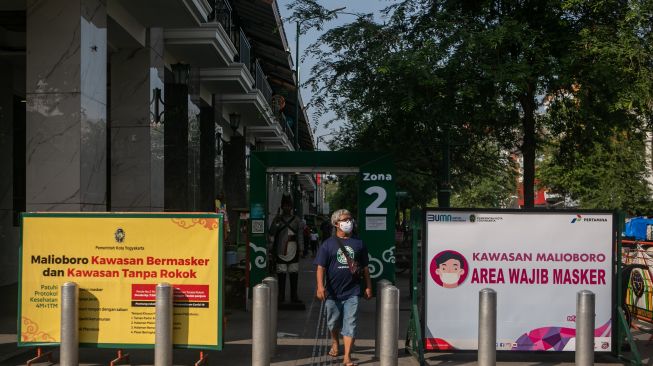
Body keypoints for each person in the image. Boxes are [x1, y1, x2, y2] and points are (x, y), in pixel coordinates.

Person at [315, 209, 372, 366]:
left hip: (352, 291)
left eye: (350, 219)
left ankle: (347, 356)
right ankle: (335, 341)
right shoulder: (328, 244)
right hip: (332, 292)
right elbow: (320, 267)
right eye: (345, 220)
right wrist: (320, 287)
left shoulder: (359, 243)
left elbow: (365, 267)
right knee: (333, 323)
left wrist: (368, 286)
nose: (349, 222)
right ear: (336, 223)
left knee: (350, 323)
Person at [268, 193, 304, 304]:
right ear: (282, 206)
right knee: (281, 273)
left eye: (289, 205)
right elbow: (272, 232)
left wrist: (301, 248)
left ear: (291, 207)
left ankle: (294, 296)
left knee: (294, 272)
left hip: (293, 248)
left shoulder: (297, 220)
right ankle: (281, 296)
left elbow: (300, 235)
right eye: (285, 205)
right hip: (280, 249)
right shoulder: (277, 219)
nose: (287, 208)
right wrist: (276, 220)